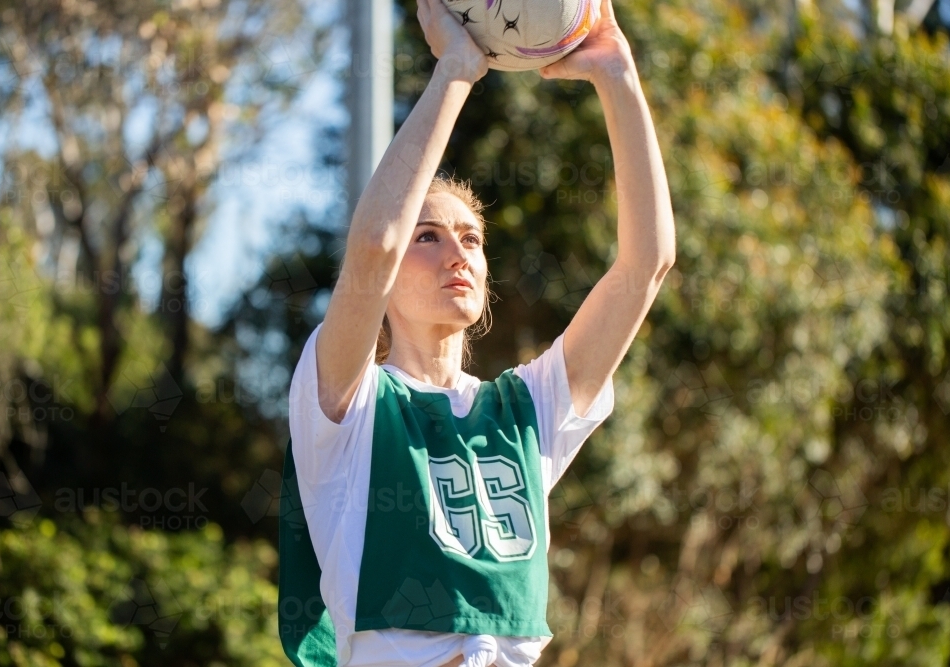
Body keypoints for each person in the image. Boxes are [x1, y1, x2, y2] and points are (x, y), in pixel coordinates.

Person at [286, 0, 676, 664]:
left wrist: (618, 75)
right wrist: (457, 72)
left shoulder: (527, 411)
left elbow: (647, 265)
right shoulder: (350, 409)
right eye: (429, 238)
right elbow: (376, 243)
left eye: (470, 237)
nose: (457, 253)